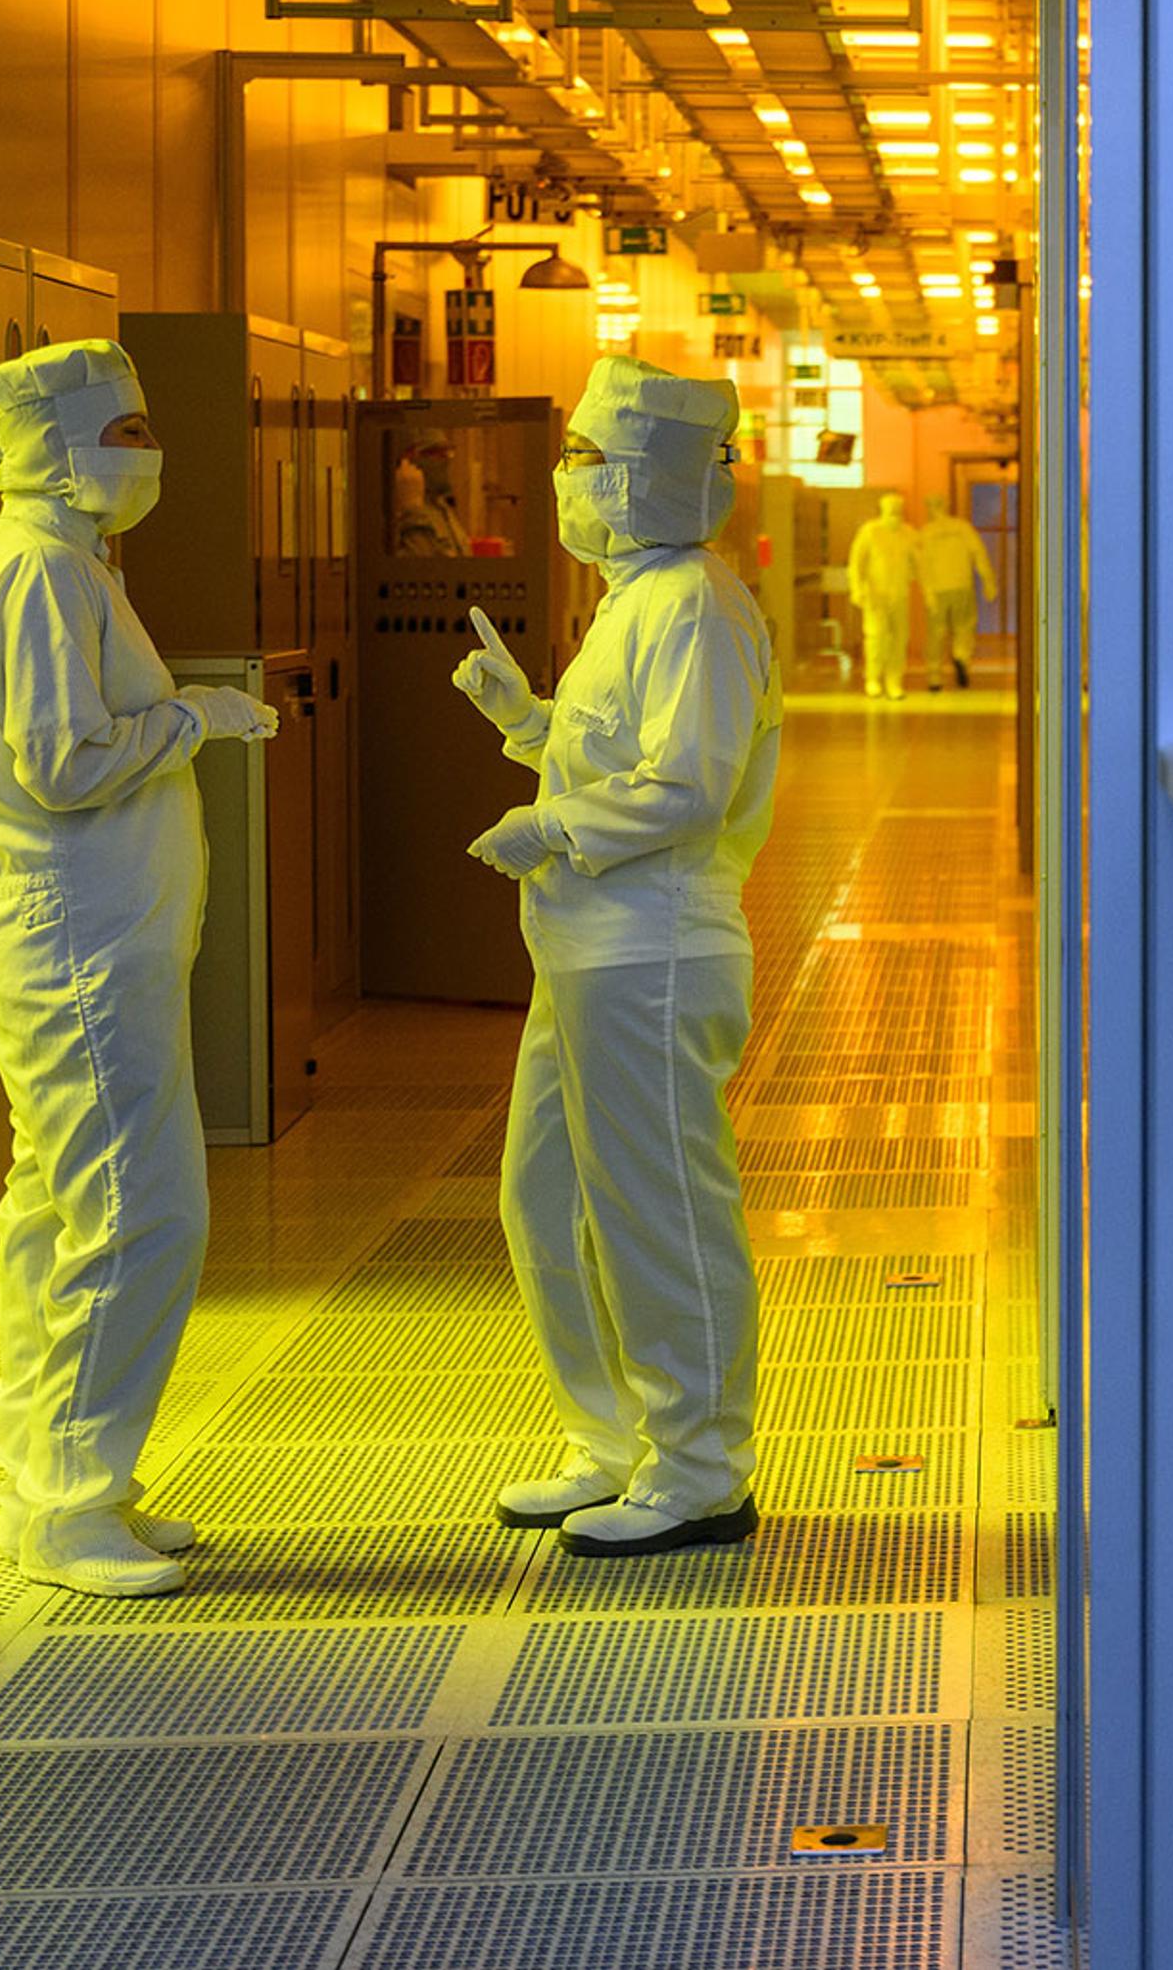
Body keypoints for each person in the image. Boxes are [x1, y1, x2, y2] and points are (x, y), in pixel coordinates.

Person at [0, 341, 277, 1598]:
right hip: (73, 941)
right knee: (140, 1210)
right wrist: (197, 717)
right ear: (57, 443)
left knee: (61, 1208)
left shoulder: (66, 563)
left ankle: (54, 1482)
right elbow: (60, 767)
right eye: (125, 432)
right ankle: (71, 1501)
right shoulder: (32, 568)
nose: (148, 454)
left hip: (100, 937)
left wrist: (180, 713)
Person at [453, 357, 785, 1559]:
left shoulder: (693, 598)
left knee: (660, 1212)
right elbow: (621, 753)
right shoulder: (638, 598)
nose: (566, 481)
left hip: (651, 950)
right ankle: (610, 1439)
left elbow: (686, 787)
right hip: (584, 947)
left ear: (647, 477)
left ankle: (700, 1467)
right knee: (544, 1198)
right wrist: (524, 724)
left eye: (586, 459)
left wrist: (555, 824)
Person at [910, 489, 998, 689]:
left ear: (929, 508)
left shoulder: (925, 533)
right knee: (964, 627)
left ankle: (934, 676)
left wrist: (928, 592)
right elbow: (979, 554)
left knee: (936, 633)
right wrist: (988, 581)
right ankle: (961, 658)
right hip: (961, 586)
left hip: (938, 589)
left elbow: (921, 566)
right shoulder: (963, 528)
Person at [846, 492, 922, 699]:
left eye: (897, 511)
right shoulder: (870, 532)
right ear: (882, 510)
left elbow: (920, 562)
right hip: (875, 596)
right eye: (891, 511)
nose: (894, 515)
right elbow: (856, 563)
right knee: (876, 638)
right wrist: (857, 589)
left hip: (899, 594)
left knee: (899, 639)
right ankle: (873, 679)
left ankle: (894, 680)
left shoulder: (908, 534)